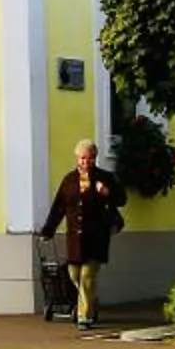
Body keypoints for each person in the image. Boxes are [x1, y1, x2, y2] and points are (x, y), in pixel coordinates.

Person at [38, 137, 122, 332]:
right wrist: (48, 230)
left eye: (90, 158)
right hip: (75, 239)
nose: (86, 162)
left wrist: (106, 192)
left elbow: (121, 199)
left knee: (86, 276)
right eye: (83, 158)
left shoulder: (104, 177)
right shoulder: (69, 180)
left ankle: (85, 316)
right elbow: (59, 207)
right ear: (77, 158)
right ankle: (90, 300)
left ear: (95, 158)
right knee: (74, 274)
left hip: (97, 237)